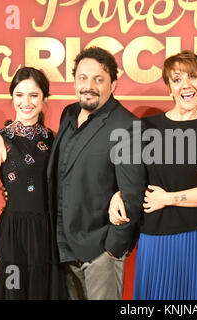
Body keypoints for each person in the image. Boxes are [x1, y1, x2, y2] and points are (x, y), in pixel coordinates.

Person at [110, 51, 197, 300]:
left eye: (193, 77)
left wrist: (168, 198)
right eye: (177, 80)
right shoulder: (148, 127)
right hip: (156, 238)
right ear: (169, 88)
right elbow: (134, 176)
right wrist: (118, 194)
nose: (186, 85)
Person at [46, 47, 146, 300]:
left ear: (113, 84)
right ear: (74, 81)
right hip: (62, 247)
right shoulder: (68, 114)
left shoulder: (126, 125)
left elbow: (132, 194)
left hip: (99, 249)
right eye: (82, 78)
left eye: (98, 79)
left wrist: (113, 249)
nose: (88, 86)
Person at [0, 67, 67, 299]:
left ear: (44, 98)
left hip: (46, 238)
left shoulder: (53, 138)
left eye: (33, 95)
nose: (25, 102)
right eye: (19, 95)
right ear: (12, 97)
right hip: (12, 239)